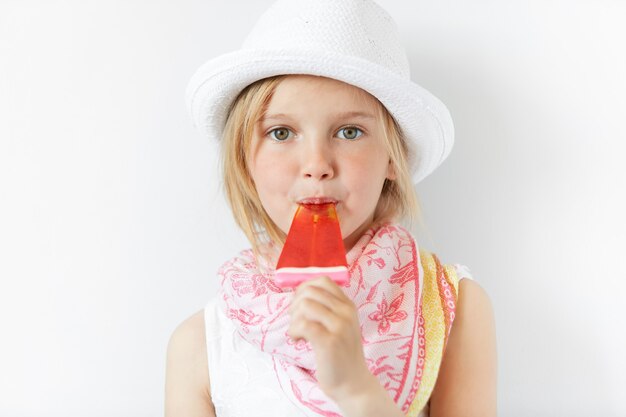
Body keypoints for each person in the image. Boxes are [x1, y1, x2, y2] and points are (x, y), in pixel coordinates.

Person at [165, 0, 497, 416]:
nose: (317, 165)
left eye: (349, 131)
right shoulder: (200, 345)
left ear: (393, 157)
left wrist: (358, 390)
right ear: (244, 161)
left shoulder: (454, 308)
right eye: (281, 132)